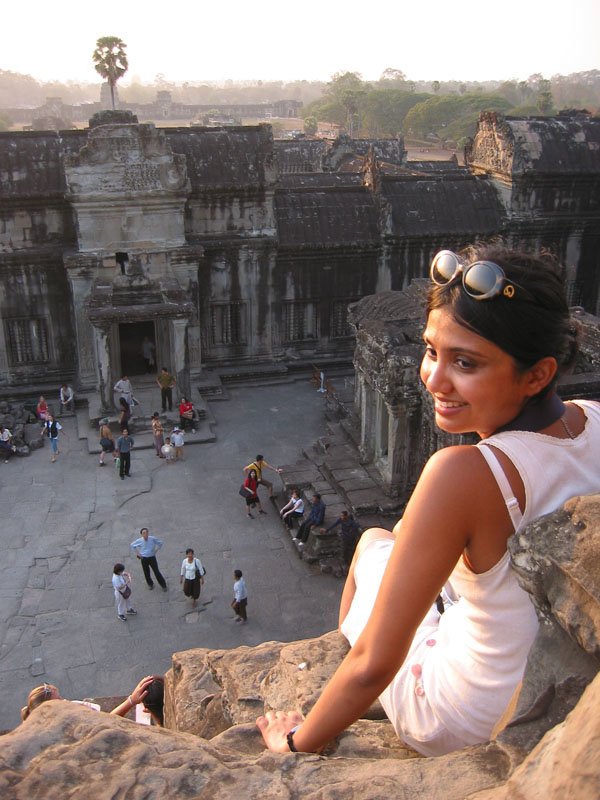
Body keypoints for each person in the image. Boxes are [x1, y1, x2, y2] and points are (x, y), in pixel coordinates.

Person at [257, 244, 600, 758]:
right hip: (548, 682)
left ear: (537, 374)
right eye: (432, 350)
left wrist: (293, 743)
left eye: (466, 362)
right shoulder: (592, 416)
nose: (435, 379)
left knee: (374, 542)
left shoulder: (465, 474)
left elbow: (376, 660)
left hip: (464, 714)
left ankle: (340, 690)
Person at [130, 527, 168, 591]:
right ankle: (150, 584)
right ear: (141, 534)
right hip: (144, 558)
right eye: (144, 533)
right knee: (146, 572)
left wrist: (156, 550)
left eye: (146, 532)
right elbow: (132, 545)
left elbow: (160, 543)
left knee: (156, 571)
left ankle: (163, 585)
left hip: (152, 557)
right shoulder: (139, 540)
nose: (145, 534)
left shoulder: (152, 539)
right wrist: (138, 553)